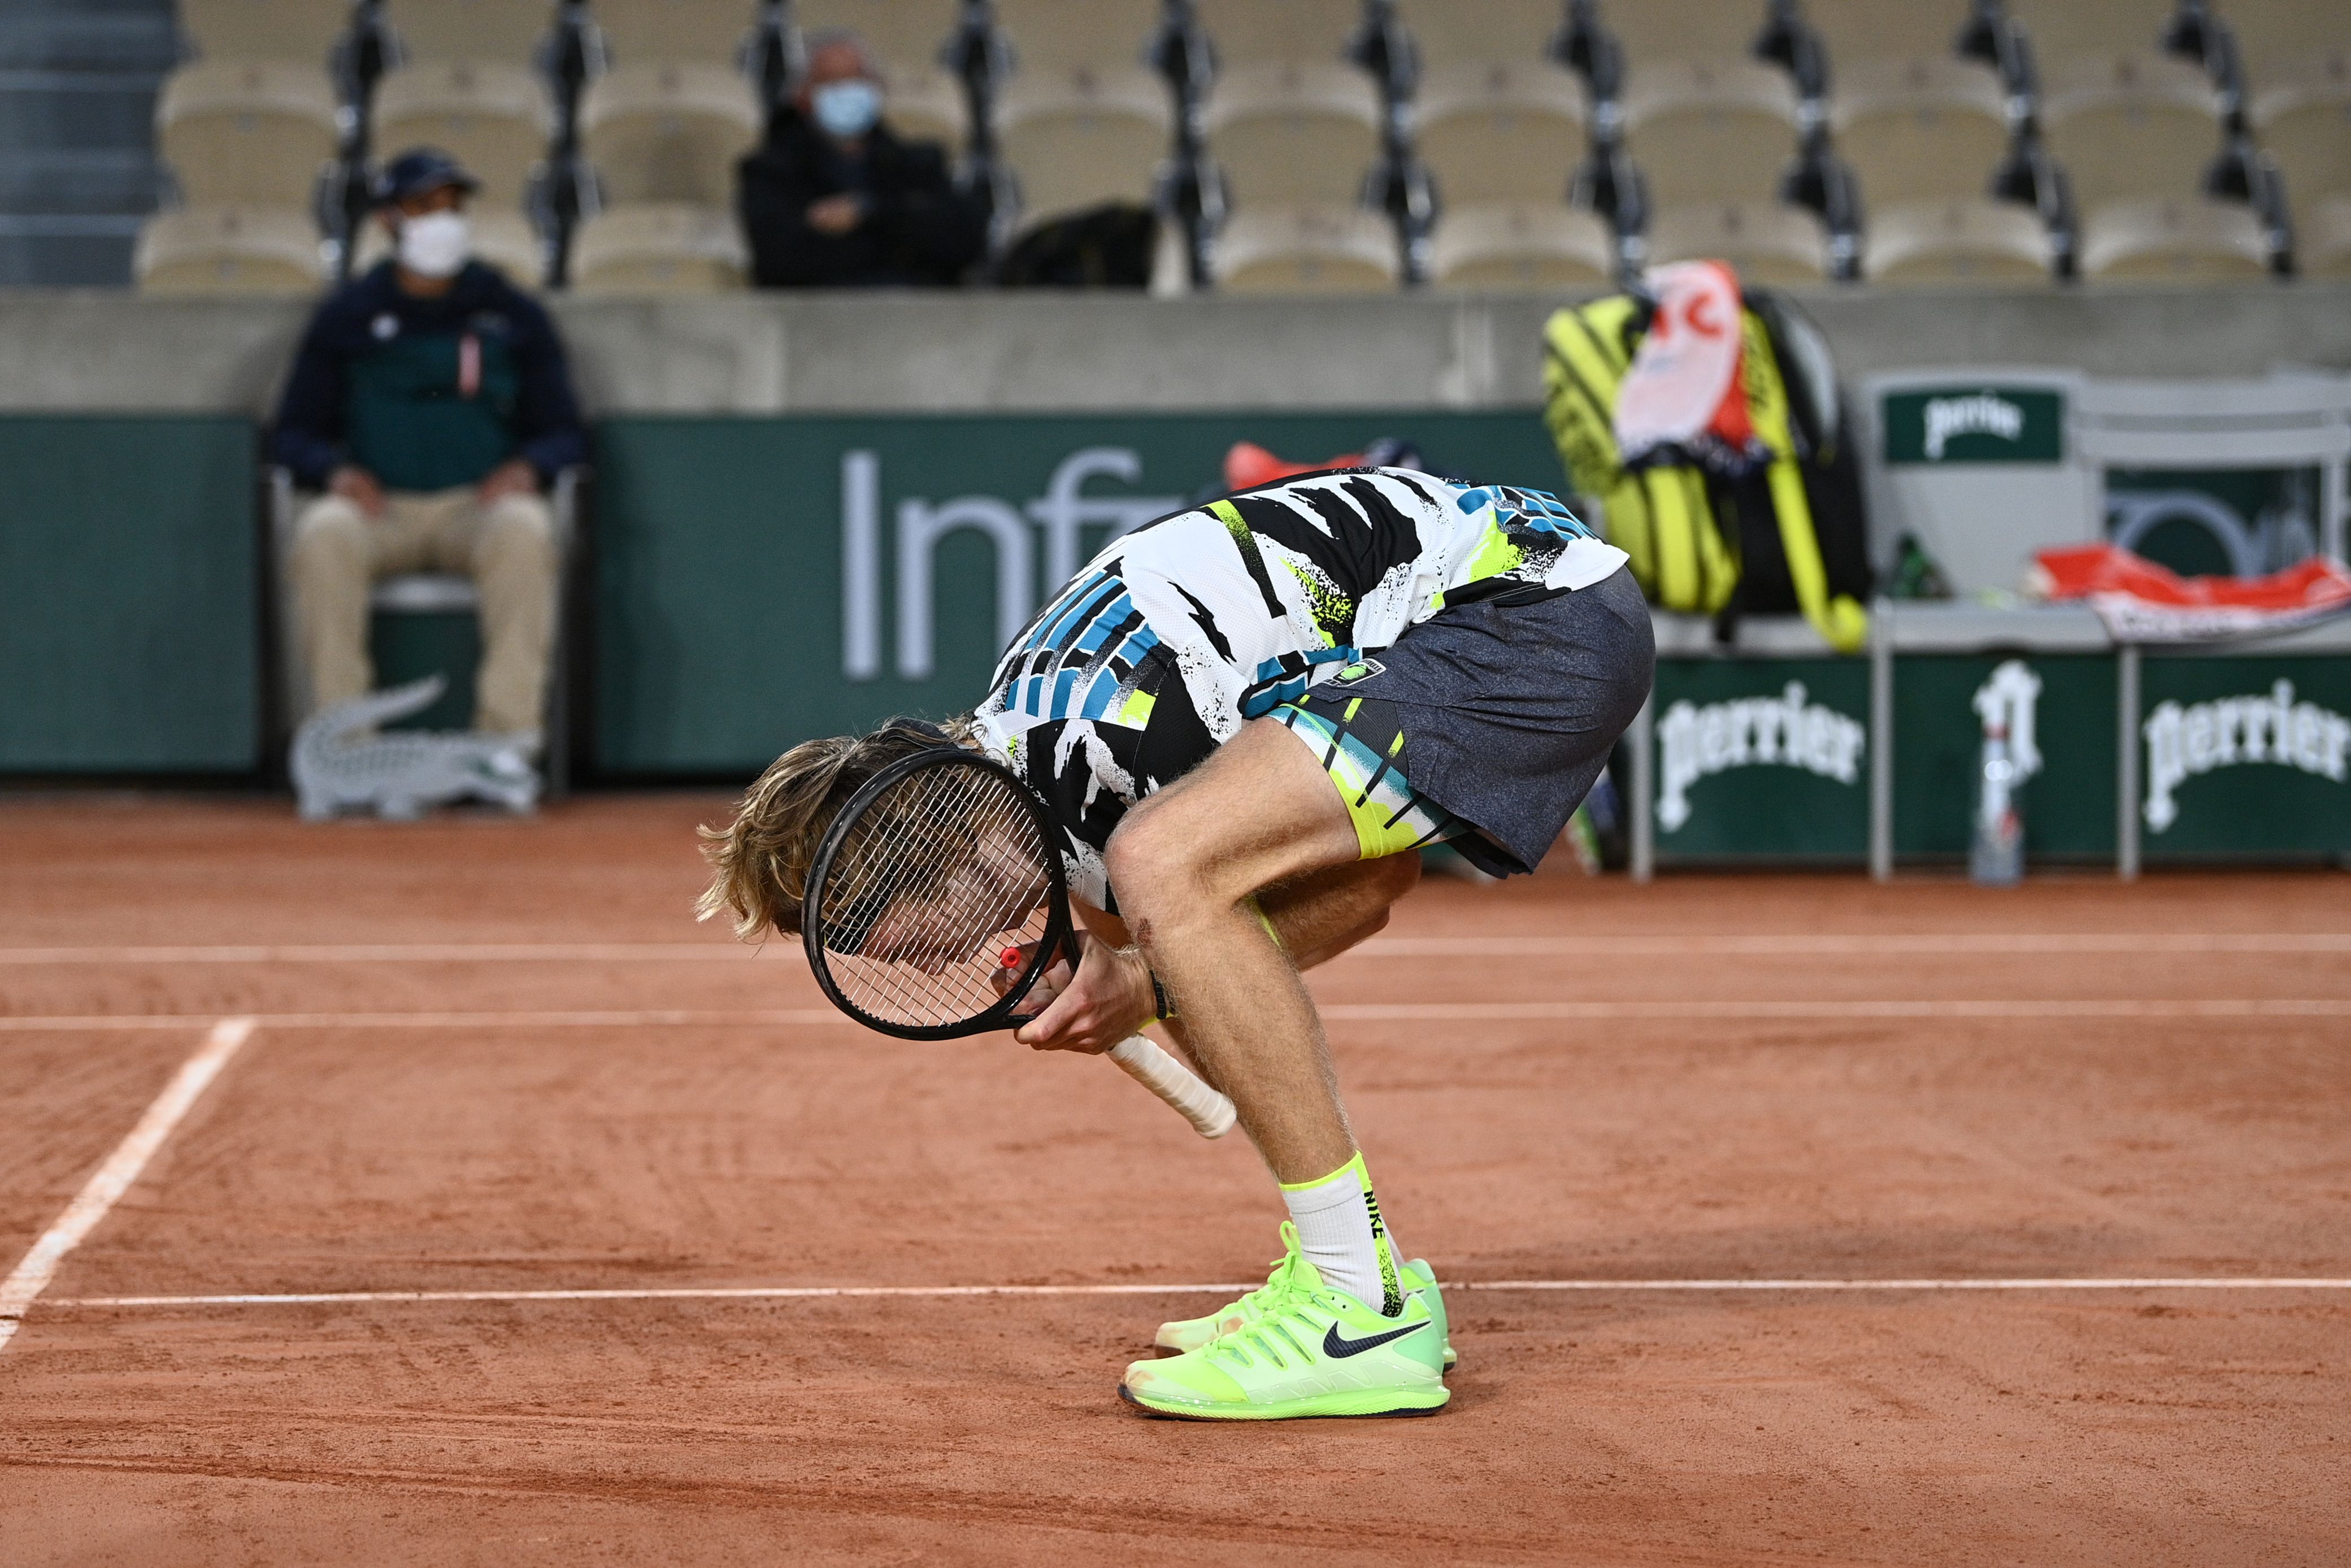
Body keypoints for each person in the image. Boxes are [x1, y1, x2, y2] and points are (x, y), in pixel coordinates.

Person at [699, 467, 1654, 1421]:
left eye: (875, 938)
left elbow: (1373, 883)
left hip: (1532, 614)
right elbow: (1286, 924)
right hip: (1508, 617)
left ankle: (1361, 1314)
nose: (907, 968)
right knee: (1164, 892)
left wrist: (1146, 988)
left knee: (1161, 866)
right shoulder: (1049, 782)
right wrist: (1148, 980)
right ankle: (1353, 1270)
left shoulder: (1109, 739)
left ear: (923, 850)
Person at [274, 147, 585, 744]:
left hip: (478, 507)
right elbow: (292, 433)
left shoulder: (509, 311)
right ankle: (346, 743)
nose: (442, 221)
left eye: (452, 207)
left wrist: (529, 466)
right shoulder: (348, 314)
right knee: (321, 535)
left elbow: (566, 432)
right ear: (390, 220)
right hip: (379, 508)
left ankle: (506, 743)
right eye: (424, 207)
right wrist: (334, 471)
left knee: (528, 530)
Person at [736, 29, 989, 288]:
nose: (845, 91)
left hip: (915, 314)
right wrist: (901, 234)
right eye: (830, 82)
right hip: (818, 317)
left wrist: (867, 213)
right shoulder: (770, 170)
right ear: (802, 95)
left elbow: (965, 242)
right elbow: (779, 261)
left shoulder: (917, 164)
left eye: (855, 79)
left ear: (877, 87)